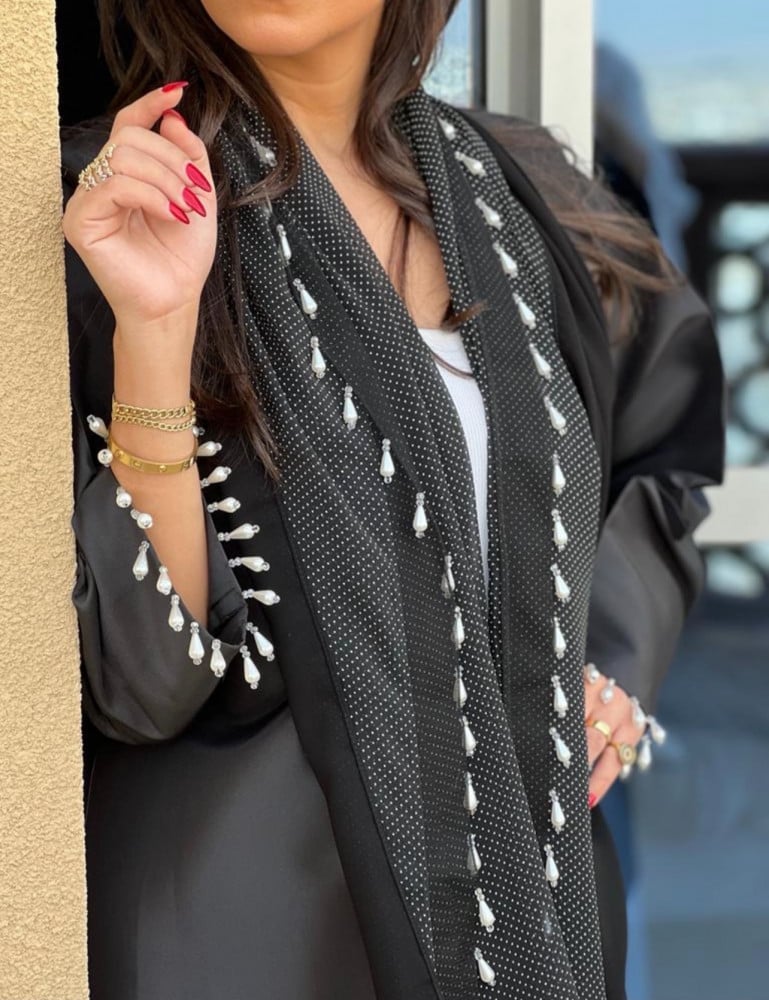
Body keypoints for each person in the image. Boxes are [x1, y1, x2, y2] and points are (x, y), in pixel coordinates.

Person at [60, 2, 725, 998]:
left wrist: (606, 665)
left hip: (532, 902)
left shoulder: (522, 200)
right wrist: (154, 331)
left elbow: (658, 449)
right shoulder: (114, 201)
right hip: (241, 934)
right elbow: (147, 686)